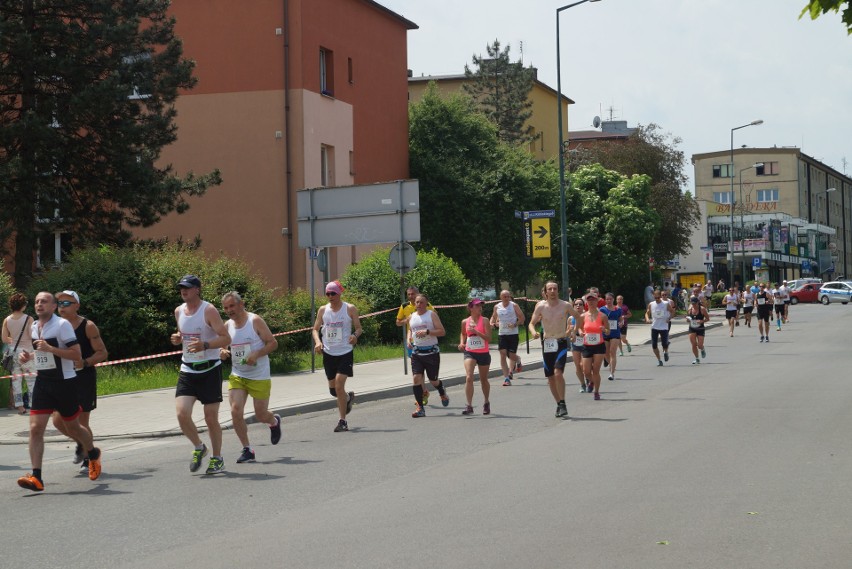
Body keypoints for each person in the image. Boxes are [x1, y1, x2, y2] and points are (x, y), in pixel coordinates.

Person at [16, 292, 102, 491]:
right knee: (36, 428)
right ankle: (36, 477)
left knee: (74, 428)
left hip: (65, 383)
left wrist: (51, 349)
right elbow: (40, 352)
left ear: (54, 306)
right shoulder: (34, 326)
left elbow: (76, 355)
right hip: (43, 382)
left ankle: (92, 453)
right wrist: (28, 356)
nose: (39, 304)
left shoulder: (62, 325)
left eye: (44, 301)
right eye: (37, 301)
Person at [170, 275, 232, 474]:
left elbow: (225, 337)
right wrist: (177, 338)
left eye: (187, 287)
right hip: (188, 369)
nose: (183, 291)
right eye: (181, 288)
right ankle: (199, 446)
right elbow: (183, 334)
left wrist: (205, 345)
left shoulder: (209, 310)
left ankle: (217, 458)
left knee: (210, 418)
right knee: (181, 413)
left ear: (197, 289)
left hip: (210, 369)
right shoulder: (179, 311)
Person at [219, 291, 281, 463]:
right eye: (225, 308)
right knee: (235, 411)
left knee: (261, 415)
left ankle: (274, 421)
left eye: (232, 306)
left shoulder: (255, 321)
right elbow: (222, 346)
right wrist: (222, 352)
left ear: (241, 304)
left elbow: (273, 343)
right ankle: (247, 449)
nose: (229, 310)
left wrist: (257, 353)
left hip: (259, 375)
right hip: (238, 375)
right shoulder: (228, 325)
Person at [52, 291, 108, 473]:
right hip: (61, 378)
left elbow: (102, 353)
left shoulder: (88, 326)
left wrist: (84, 362)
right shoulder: (54, 325)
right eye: (59, 302)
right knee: (57, 421)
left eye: (67, 303)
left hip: (83, 378)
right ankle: (81, 443)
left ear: (77, 306)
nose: (62, 306)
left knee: (82, 422)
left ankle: (89, 458)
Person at [312, 280, 362, 432]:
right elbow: (315, 329)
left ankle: (343, 421)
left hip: (345, 352)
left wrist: (355, 336)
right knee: (334, 391)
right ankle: (347, 398)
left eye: (333, 293)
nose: (330, 296)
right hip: (329, 353)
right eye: (327, 293)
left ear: (339, 293)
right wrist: (317, 342)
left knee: (340, 385)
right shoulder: (323, 310)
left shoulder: (350, 308)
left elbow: (359, 328)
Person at [528, 281, 581, 418]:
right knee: (550, 377)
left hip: (561, 342)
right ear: (545, 291)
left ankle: (562, 402)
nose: (552, 291)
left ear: (558, 291)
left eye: (555, 289)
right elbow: (531, 323)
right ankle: (559, 403)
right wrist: (533, 332)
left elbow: (578, 317)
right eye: (549, 289)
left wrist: (574, 331)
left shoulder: (565, 305)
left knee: (558, 373)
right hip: (547, 344)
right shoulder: (541, 306)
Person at [407, 293, 449, 417]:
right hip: (417, 353)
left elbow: (442, 332)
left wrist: (427, 331)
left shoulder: (431, 315)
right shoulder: (411, 316)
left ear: (426, 304)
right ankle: (420, 408)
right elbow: (410, 330)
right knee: (416, 379)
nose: (418, 304)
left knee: (433, 380)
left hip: (431, 353)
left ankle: (441, 391)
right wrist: (409, 339)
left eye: (421, 302)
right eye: (417, 302)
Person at [396, 286, 433, 404]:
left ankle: (424, 391)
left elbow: (434, 317)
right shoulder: (404, 306)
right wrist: (406, 321)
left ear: (418, 294)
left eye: (413, 294)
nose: (411, 296)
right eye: (409, 294)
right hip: (412, 341)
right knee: (417, 370)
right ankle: (423, 392)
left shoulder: (426, 304)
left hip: (426, 341)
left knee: (423, 370)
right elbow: (397, 322)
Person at [458, 298, 492, 415]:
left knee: (483, 379)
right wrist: (462, 342)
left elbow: (488, 338)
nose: (480, 308)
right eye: (477, 306)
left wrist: (477, 332)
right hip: (470, 352)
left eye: (480, 306)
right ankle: (469, 405)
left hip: (483, 352)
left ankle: (486, 402)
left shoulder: (485, 321)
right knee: (469, 377)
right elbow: (463, 333)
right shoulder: (465, 321)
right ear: (470, 308)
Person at [3, 293, 34, 414]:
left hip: (13, 352)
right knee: (31, 379)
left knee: (16, 380)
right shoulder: (28, 318)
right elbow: (32, 335)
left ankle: (20, 407)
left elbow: (5, 338)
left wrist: (14, 340)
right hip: (27, 352)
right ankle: (33, 404)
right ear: (23, 306)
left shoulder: (7, 320)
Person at [490, 290, 525, 386]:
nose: (506, 298)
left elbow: (522, 318)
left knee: (511, 355)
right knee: (502, 354)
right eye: (504, 296)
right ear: (500, 297)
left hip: (513, 334)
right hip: (502, 334)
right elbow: (493, 317)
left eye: (508, 296)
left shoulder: (514, 306)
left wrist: (515, 324)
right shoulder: (497, 306)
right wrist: (491, 323)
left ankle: (518, 360)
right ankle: (506, 378)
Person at [577, 292, 608, 400]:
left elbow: (608, 331)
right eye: (589, 300)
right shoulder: (583, 316)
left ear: (597, 301)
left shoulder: (603, 316)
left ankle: (597, 392)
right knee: (586, 371)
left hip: (599, 345)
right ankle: (592, 382)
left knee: (596, 370)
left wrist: (605, 330)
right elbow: (579, 328)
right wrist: (580, 332)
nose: (591, 302)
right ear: (587, 302)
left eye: (593, 300)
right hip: (587, 345)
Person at [645, 289, 674, 366]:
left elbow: (672, 311)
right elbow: (647, 313)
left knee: (664, 344)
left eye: (658, 298)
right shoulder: (651, 304)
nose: (657, 299)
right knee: (654, 345)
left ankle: (666, 352)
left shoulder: (665, 304)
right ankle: (659, 360)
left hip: (664, 327)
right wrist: (647, 319)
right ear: (653, 297)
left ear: (660, 297)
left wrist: (669, 318)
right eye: (655, 298)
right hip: (654, 327)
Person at [600, 292, 623, 381]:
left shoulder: (618, 309)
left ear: (613, 299)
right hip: (605, 333)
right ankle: (611, 364)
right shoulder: (602, 310)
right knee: (606, 353)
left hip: (615, 334)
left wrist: (621, 323)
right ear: (605, 300)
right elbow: (599, 320)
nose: (609, 301)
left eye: (610, 299)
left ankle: (612, 373)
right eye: (607, 299)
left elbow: (621, 319)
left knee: (612, 352)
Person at [568, 299, 589, 393]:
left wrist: (583, 332)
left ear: (583, 306)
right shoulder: (570, 318)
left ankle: (588, 378)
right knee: (577, 365)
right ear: (573, 306)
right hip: (576, 343)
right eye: (576, 304)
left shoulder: (587, 316)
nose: (578, 306)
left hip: (586, 343)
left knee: (583, 365)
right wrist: (569, 329)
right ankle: (582, 384)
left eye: (580, 304)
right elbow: (567, 333)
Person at [685, 296, 710, 364]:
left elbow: (708, 319)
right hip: (692, 328)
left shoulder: (702, 309)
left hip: (700, 328)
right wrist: (688, 319)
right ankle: (697, 358)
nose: (693, 305)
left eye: (695, 303)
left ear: (697, 303)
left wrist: (701, 321)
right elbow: (687, 319)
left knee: (699, 345)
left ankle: (702, 349)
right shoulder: (690, 309)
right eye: (692, 303)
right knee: (693, 344)